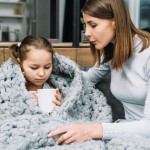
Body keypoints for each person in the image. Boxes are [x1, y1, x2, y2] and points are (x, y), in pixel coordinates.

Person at [48, 0, 150, 144]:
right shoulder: (113, 51)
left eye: (93, 25)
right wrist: (52, 79)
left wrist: (92, 129)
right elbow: (86, 79)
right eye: (86, 25)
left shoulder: (147, 55)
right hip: (125, 135)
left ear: (115, 21)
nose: (87, 33)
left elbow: (148, 126)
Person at [9, 35, 62, 107]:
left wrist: (61, 106)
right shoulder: (12, 90)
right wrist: (21, 104)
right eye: (34, 68)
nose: (41, 73)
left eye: (47, 67)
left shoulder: (55, 89)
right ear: (20, 63)